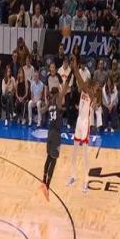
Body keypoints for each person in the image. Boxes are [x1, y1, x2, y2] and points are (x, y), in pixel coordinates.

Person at [67, 55, 101, 193]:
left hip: (85, 123)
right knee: (75, 150)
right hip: (78, 121)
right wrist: (75, 69)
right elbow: (79, 81)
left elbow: (80, 80)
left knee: (85, 153)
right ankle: (73, 175)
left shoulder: (92, 95)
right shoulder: (83, 90)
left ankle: (86, 181)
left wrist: (75, 67)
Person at [40, 73, 73, 201]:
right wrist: (70, 74)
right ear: (57, 94)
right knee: (54, 160)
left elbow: (41, 111)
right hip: (56, 135)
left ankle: (43, 180)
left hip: (49, 132)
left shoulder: (50, 103)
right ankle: (47, 186)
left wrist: (47, 104)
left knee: (48, 157)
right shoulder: (58, 100)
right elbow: (65, 87)